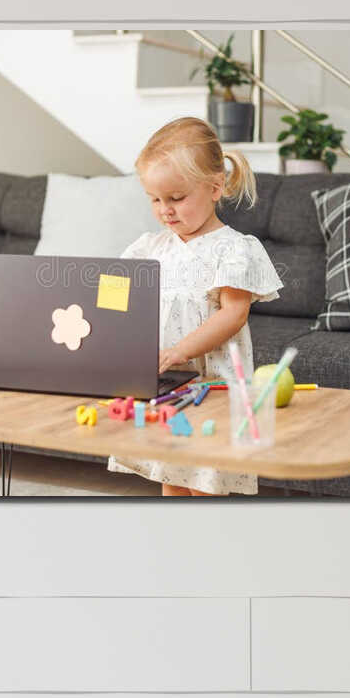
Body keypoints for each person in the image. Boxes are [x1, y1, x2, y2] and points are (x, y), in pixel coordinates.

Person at [106, 117, 286, 496]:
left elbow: (234, 314)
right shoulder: (148, 247)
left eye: (176, 198)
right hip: (165, 382)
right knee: (170, 472)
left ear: (215, 186)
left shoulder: (234, 248)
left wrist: (180, 351)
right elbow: (113, 299)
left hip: (210, 380)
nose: (165, 210)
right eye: (155, 199)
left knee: (205, 478)